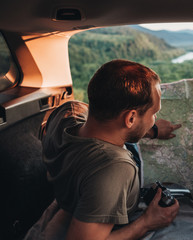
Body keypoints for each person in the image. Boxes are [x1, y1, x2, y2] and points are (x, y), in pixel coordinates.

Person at [24, 59, 181, 240]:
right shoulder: (114, 167)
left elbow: (102, 121)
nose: (154, 119)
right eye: (153, 113)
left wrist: (151, 131)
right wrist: (147, 222)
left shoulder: (67, 112)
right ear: (130, 118)